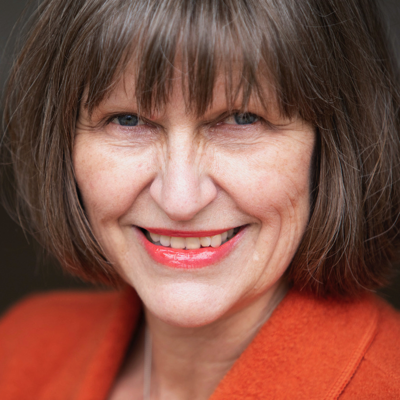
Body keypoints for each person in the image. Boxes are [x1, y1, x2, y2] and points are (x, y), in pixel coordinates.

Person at [0, 0, 400, 399]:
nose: (180, 200)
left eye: (242, 118)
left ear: (330, 148)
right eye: (128, 120)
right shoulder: (20, 349)